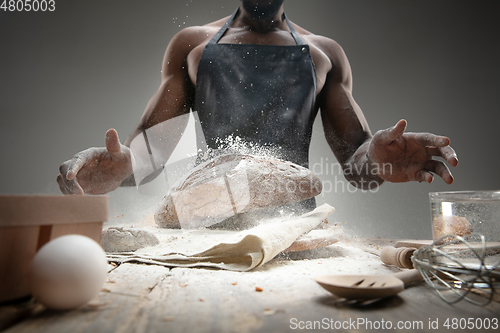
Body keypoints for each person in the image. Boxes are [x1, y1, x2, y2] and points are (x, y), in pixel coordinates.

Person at [57, 0, 458, 199]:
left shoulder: (324, 54)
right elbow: (151, 150)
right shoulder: (192, 45)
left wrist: (378, 159)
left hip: (296, 237)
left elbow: (357, 164)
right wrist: (122, 166)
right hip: (204, 226)